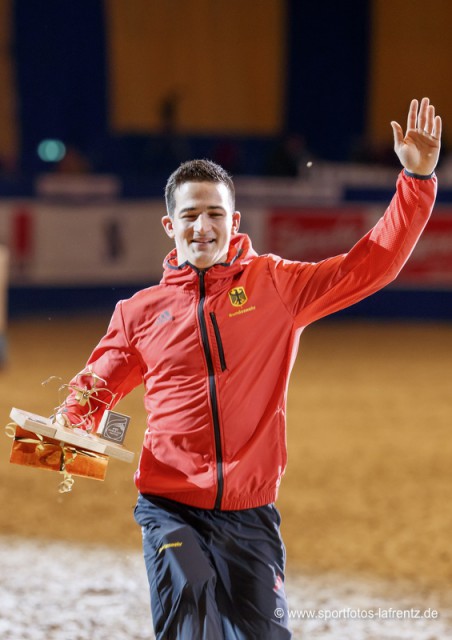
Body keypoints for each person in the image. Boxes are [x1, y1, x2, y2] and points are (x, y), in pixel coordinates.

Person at [57, 97, 441, 639]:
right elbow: (95, 388)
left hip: (251, 512)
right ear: (170, 225)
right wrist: (67, 431)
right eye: (190, 215)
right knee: (191, 610)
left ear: (234, 220)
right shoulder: (138, 313)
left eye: (214, 214)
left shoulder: (277, 285)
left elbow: (369, 265)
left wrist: (417, 180)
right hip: (169, 508)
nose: (203, 227)